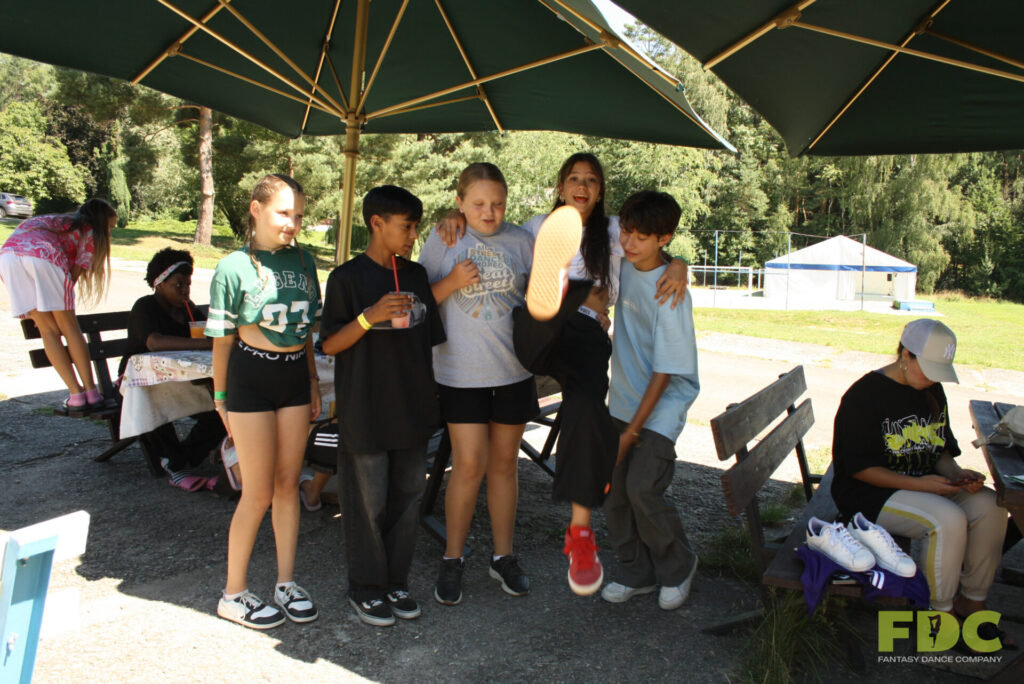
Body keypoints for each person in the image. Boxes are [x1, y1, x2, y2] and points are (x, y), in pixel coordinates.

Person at [436, 153, 690, 596]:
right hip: (536, 332)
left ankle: (580, 531)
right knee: (549, 307)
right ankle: (559, 294)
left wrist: (679, 263)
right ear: (560, 185)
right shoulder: (536, 227)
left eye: (591, 180)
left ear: (600, 189)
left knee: (588, 405)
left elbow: (651, 247)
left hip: (584, 335)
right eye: (574, 178)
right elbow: (487, 225)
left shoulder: (614, 231)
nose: (582, 186)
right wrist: (451, 216)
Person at [831, 319, 1012, 646]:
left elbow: (938, 450)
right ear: (905, 355)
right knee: (946, 519)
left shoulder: (931, 391)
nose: (932, 378)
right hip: (870, 494)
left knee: (991, 506)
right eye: (928, 369)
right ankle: (939, 614)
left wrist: (956, 474)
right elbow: (858, 469)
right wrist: (925, 486)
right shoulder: (865, 395)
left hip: (923, 484)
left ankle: (972, 601)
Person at [319, 185, 445, 627]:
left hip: (412, 408)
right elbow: (330, 344)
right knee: (366, 504)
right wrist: (369, 317)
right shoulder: (346, 279)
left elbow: (428, 341)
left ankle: (395, 582)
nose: (413, 236)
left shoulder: (416, 276)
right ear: (377, 223)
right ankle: (366, 587)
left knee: (407, 500)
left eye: (416, 227)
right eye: (406, 227)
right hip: (365, 410)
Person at [206, 174, 322, 630]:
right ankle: (233, 594)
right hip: (249, 381)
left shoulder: (305, 260)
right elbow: (221, 341)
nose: (292, 223)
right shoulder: (232, 267)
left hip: (293, 379)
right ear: (256, 209)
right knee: (256, 492)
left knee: (288, 484)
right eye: (283, 212)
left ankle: (285, 583)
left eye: (298, 215)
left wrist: (312, 380)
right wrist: (221, 398)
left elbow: (306, 331)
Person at [419, 162, 537, 606]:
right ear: (460, 203)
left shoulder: (521, 241)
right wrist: (452, 281)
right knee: (468, 466)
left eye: (498, 204)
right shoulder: (444, 237)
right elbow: (418, 300)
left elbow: (544, 297)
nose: (489, 213)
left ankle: (503, 556)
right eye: (479, 204)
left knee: (504, 466)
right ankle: (452, 557)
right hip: (460, 374)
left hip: (513, 372)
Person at [600, 190, 700, 612]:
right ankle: (636, 572)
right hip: (623, 401)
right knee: (613, 494)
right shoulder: (622, 265)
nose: (629, 242)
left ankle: (678, 566)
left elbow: (664, 374)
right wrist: (679, 260)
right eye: (626, 231)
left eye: (641, 237)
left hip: (661, 406)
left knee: (642, 488)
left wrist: (632, 433)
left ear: (664, 238)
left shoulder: (670, 292)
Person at [117, 247, 225, 491]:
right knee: (151, 400)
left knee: (222, 409)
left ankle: (181, 459)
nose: (185, 291)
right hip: (139, 382)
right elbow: (154, 342)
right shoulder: (145, 307)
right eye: (178, 285)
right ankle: (175, 464)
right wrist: (205, 343)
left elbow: (209, 332)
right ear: (159, 283)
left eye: (188, 285)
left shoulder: (187, 309)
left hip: (183, 380)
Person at [0, 198, 117, 409]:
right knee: (70, 327)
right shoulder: (90, 231)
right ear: (101, 222)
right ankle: (91, 392)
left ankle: (75, 394)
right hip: (43, 255)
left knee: (48, 331)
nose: (109, 233)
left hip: (7, 257)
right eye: (110, 228)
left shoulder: (54, 221)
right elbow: (73, 276)